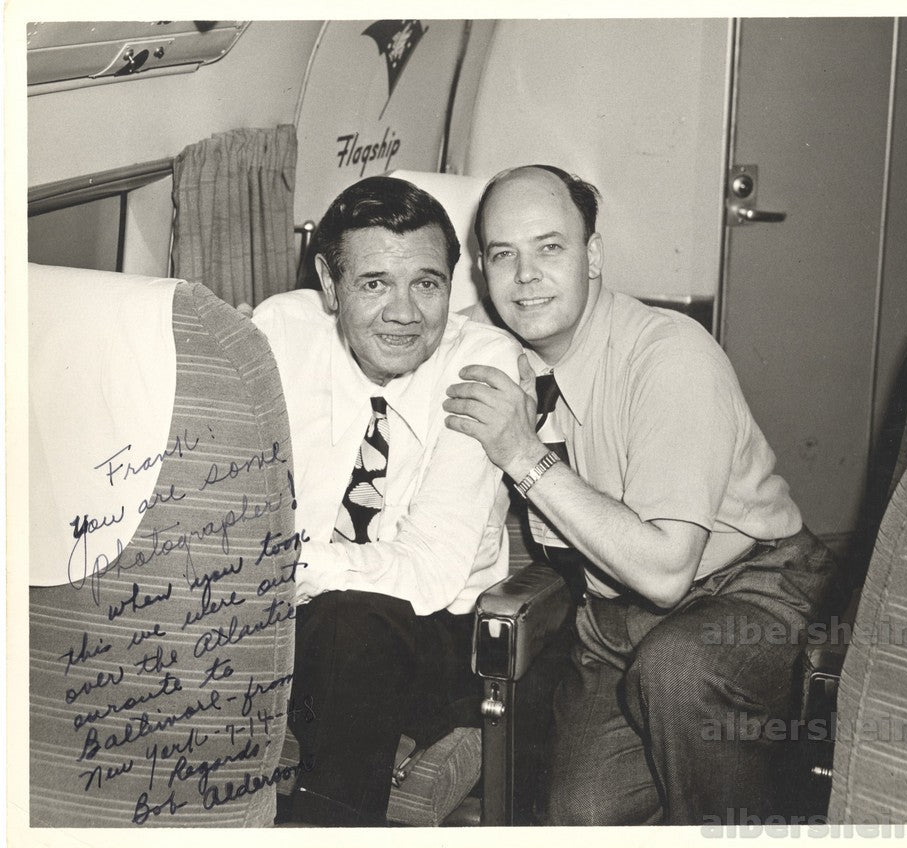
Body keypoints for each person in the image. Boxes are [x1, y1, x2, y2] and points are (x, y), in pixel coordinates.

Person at [444, 165, 836, 825]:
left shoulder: (668, 355)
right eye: (503, 255)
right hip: (614, 623)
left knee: (679, 672)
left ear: (592, 256)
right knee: (581, 819)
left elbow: (663, 571)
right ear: (481, 272)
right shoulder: (501, 357)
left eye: (550, 247)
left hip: (749, 592)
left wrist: (523, 454)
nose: (527, 274)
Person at [253, 176, 521, 826]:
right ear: (328, 280)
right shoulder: (281, 332)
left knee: (354, 627)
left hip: (433, 638)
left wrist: (290, 570)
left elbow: (429, 571)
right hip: (289, 623)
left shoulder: (482, 362)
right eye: (374, 283)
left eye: (427, 284)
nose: (404, 313)